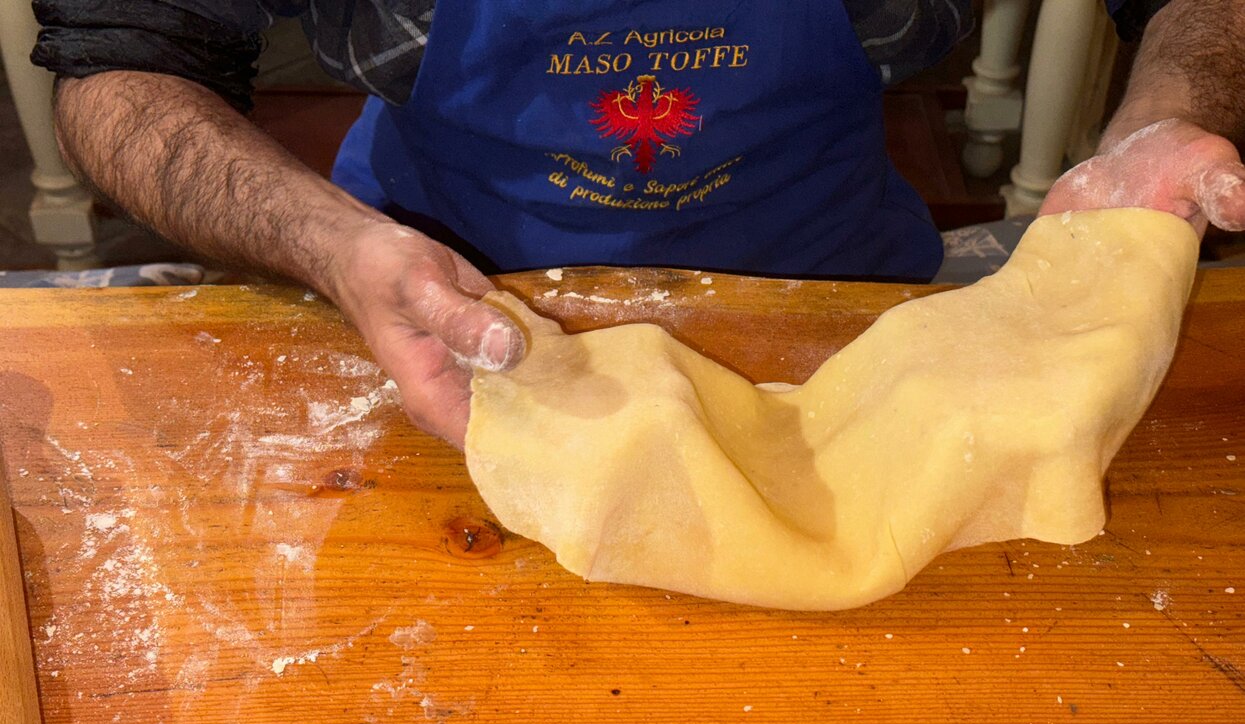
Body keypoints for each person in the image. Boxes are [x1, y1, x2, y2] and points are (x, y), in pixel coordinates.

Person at [30, 0, 1245, 447]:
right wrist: (332, 243)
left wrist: (1172, 110)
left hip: (846, 312)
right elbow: (122, 59)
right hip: (430, 300)